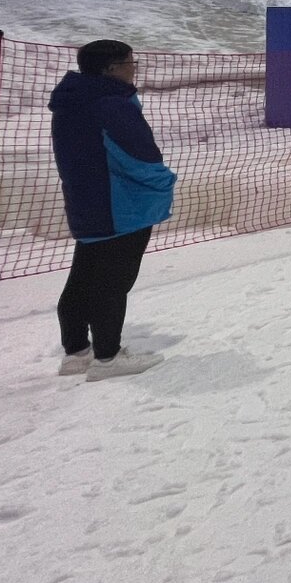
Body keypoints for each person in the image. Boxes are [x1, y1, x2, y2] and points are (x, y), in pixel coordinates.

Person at [49, 39, 177, 380]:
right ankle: (108, 357)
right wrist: (165, 182)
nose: (134, 69)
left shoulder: (73, 102)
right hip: (121, 205)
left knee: (83, 277)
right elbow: (141, 156)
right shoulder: (111, 104)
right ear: (111, 69)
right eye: (129, 63)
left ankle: (76, 352)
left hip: (87, 200)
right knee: (112, 282)